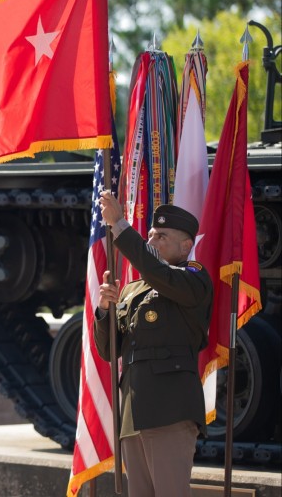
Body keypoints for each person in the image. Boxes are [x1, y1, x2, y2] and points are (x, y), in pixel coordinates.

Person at [95, 190, 213, 497]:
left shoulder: (193, 278)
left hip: (169, 408)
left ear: (186, 245)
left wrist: (119, 224)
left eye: (161, 236)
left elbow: (159, 272)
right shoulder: (134, 289)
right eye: (150, 234)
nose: (151, 241)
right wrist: (105, 310)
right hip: (134, 411)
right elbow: (110, 351)